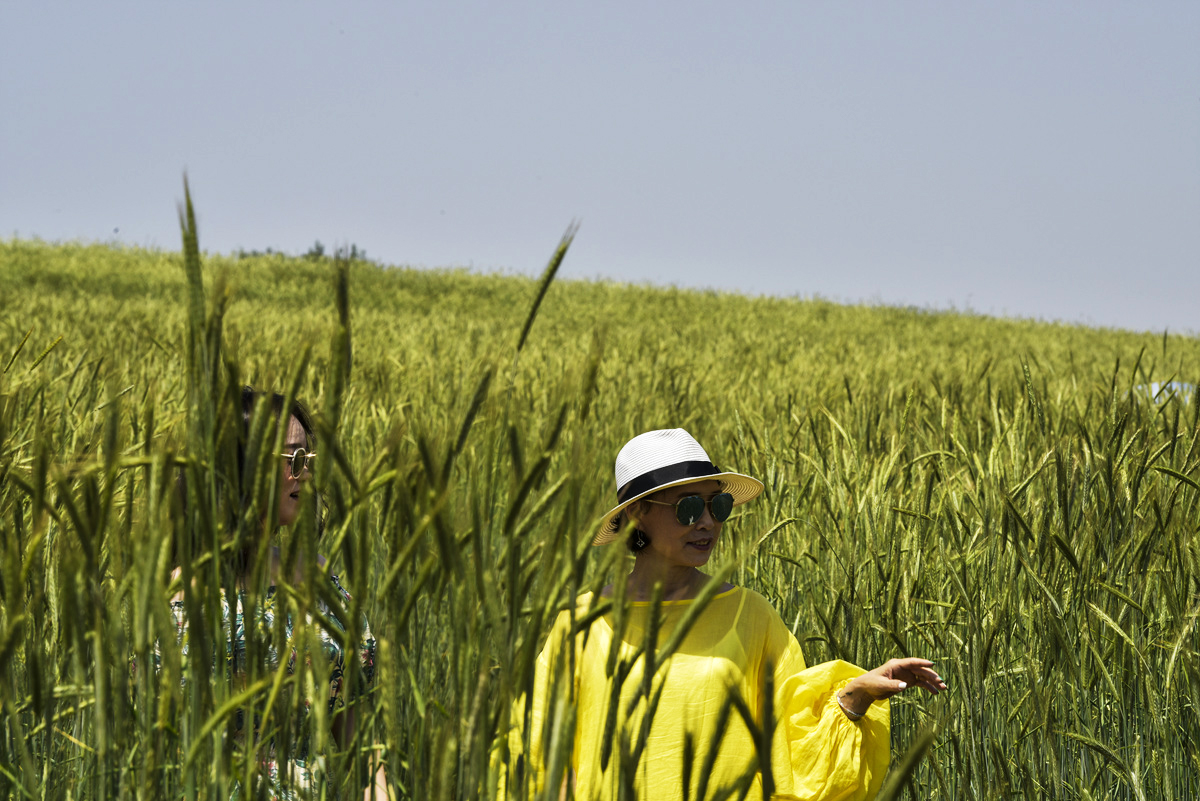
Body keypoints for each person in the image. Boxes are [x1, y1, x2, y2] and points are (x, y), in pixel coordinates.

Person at [517, 428, 946, 800]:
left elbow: (792, 749)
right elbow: (540, 754)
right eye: (688, 507)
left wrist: (855, 697)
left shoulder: (751, 616)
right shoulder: (582, 622)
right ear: (637, 513)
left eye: (717, 506)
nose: (707, 522)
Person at [169, 387, 386, 800]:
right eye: (295, 459)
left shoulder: (318, 580)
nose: (306, 474)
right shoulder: (181, 597)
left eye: (309, 460)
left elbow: (360, 742)